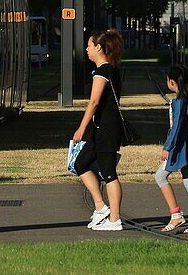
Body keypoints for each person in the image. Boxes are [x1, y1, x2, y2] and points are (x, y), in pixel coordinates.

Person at [72, 30, 126, 232]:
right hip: (101, 128)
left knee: (109, 172)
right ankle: (101, 207)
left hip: (106, 128)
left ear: (99, 48)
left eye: (89, 45)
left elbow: (94, 102)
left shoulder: (103, 72)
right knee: (80, 163)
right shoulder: (110, 70)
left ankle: (115, 218)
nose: (86, 49)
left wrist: (81, 127)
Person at [156, 64, 188, 234]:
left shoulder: (178, 103)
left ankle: (176, 214)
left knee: (160, 176)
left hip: (179, 147)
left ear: (172, 82)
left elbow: (176, 127)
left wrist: (167, 147)